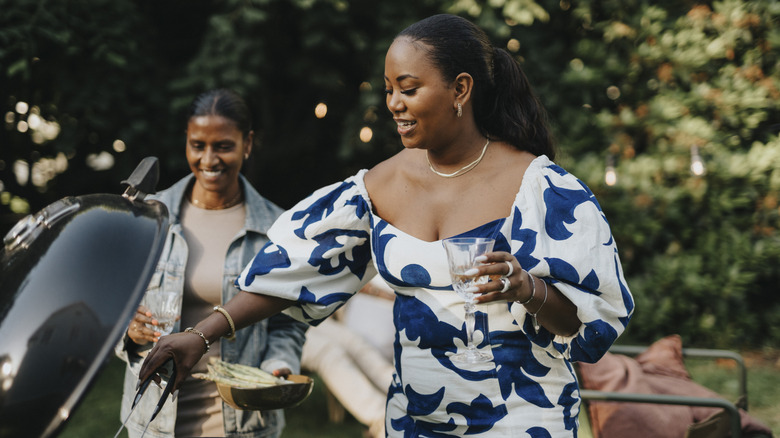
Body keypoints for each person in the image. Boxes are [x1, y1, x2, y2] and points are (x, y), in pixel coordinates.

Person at [140, 14, 635, 437]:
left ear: (461, 89)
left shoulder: (542, 188)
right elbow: (291, 273)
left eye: (409, 88)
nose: (393, 103)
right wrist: (200, 335)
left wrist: (527, 288)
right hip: (414, 419)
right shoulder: (377, 187)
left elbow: (590, 324)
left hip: (523, 417)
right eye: (389, 90)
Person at [115, 88, 308, 438]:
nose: (209, 159)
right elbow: (113, 304)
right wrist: (127, 330)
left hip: (241, 421)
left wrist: (278, 365)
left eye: (223, 146)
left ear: (247, 143)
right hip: (154, 419)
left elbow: (288, 322)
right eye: (198, 145)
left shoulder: (278, 229)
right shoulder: (150, 219)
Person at [300, 276, 396, 438]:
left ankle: (405, 396)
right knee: (328, 351)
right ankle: (384, 421)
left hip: (294, 319)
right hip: (267, 333)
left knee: (353, 341)